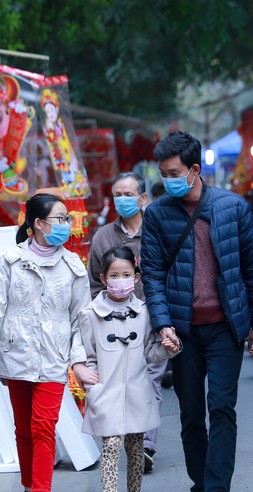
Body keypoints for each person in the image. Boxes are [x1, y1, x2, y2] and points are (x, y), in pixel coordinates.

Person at [141, 130, 253, 492]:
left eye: (174, 172)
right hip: (182, 332)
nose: (167, 180)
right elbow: (153, 275)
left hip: (225, 327)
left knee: (222, 408)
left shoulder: (233, 208)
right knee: (191, 414)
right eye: (162, 174)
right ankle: (200, 490)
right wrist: (163, 324)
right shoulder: (158, 214)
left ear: (195, 170)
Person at [0, 193, 90, 492]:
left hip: (53, 359)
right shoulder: (10, 261)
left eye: (67, 218)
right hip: (16, 355)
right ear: (38, 224)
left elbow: (81, 321)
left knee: (43, 427)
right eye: (60, 219)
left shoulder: (73, 268)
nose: (66, 225)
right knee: (24, 431)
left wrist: (80, 361)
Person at [72, 246, 178, 492]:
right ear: (103, 278)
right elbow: (81, 348)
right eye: (114, 275)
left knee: (135, 447)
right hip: (105, 389)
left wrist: (168, 349)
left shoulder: (144, 313)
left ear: (137, 276)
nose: (121, 280)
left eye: (127, 274)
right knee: (109, 446)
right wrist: (80, 368)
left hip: (136, 390)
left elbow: (151, 354)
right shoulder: (90, 314)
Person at [87, 171, 166, 474]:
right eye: (117, 194)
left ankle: (145, 444)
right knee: (119, 382)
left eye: (128, 194)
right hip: (113, 324)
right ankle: (119, 434)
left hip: (152, 319)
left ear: (143, 198)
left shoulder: (157, 231)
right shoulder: (104, 236)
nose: (122, 200)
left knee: (150, 379)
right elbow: (95, 282)